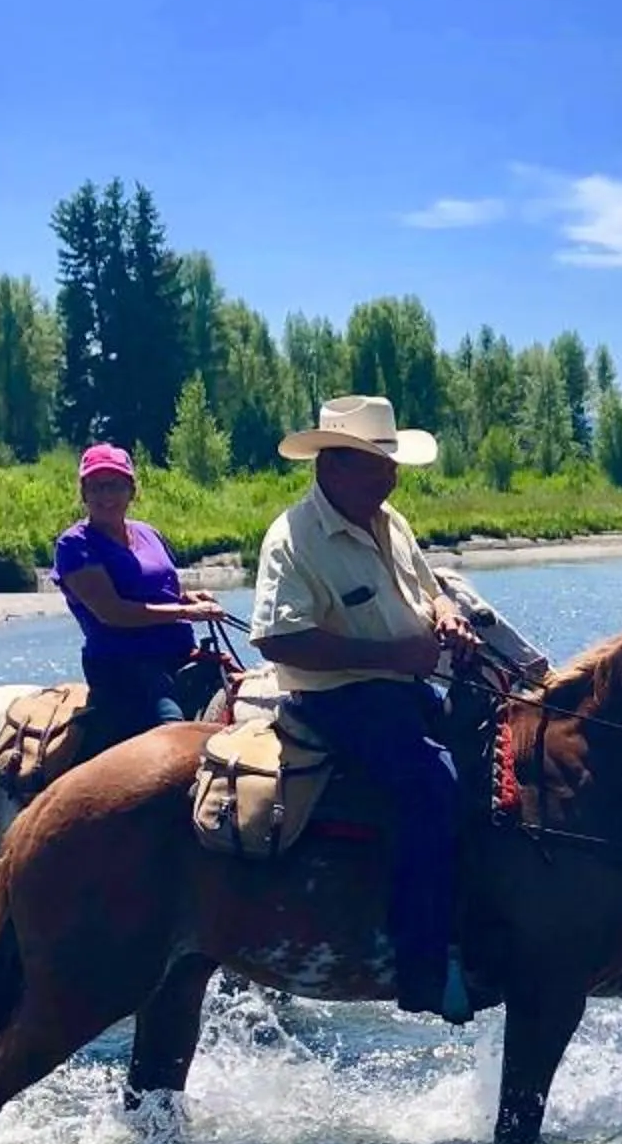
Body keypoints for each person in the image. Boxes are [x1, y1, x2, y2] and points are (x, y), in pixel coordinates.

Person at [249, 393, 487, 1022]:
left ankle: (486, 921)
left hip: (405, 686)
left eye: (389, 463)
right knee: (432, 787)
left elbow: (430, 591)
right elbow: (278, 637)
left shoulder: (390, 520)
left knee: (501, 752)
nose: (391, 474)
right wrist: (391, 656)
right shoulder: (293, 537)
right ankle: (422, 969)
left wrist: (447, 617)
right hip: (337, 700)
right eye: (376, 463)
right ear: (331, 467)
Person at [52, 443, 227, 750]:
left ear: (131, 490)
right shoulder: (75, 545)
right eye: (97, 487)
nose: (106, 496)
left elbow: (156, 592)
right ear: (84, 493)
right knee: (175, 736)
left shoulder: (147, 532)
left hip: (180, 655)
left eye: (116, 486)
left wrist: (188, 598)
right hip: (125, 667)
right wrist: (185, 612)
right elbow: (112, 612)